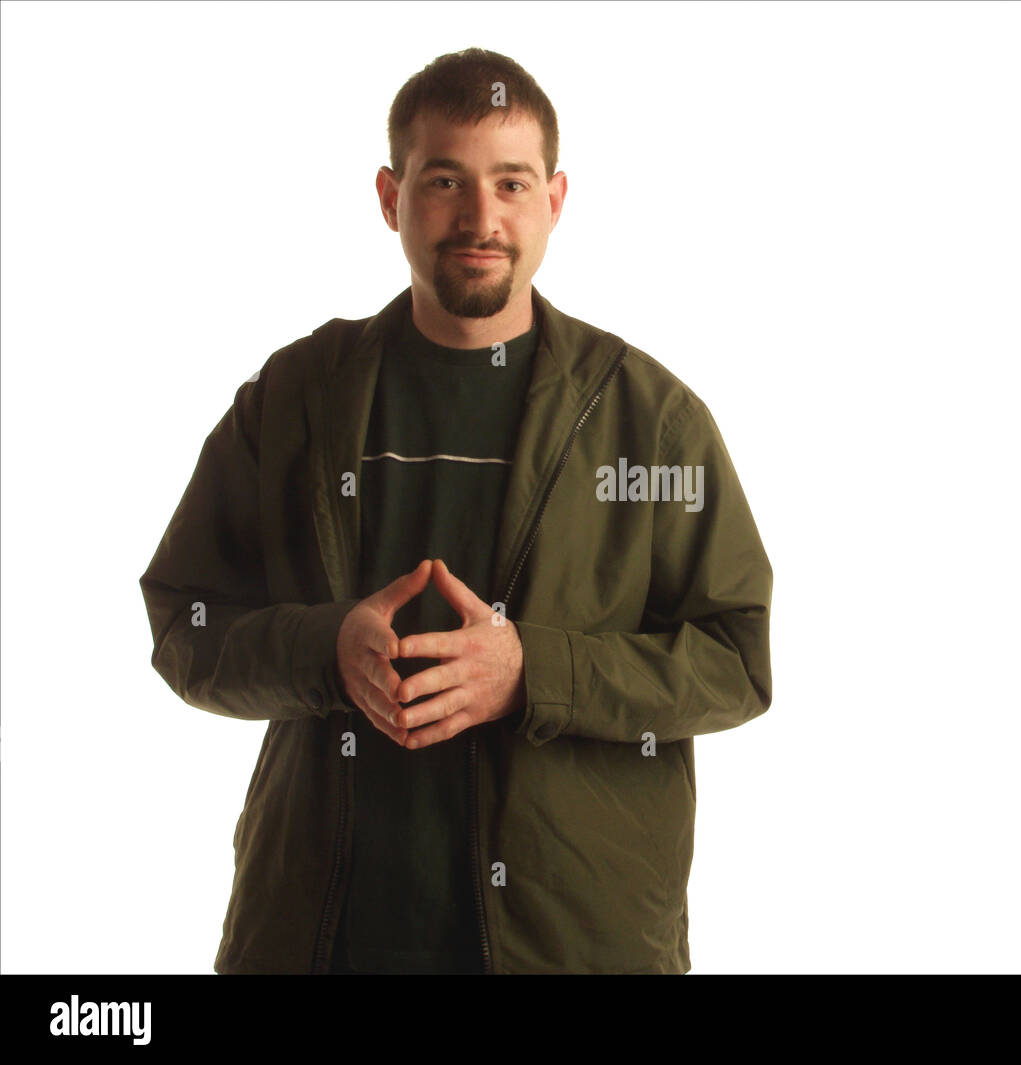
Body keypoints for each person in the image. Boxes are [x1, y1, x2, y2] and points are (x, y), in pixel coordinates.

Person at [138, 47, 772, 975]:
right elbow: (184, 619)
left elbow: (736, 661)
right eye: (446, 181)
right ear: (392, 197)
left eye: (510, 183)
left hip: (573, 944)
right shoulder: (294, 400)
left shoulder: (650, 421)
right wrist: (324, 649)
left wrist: (532, 672)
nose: (481, 218)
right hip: (320, 938)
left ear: (554, 202)